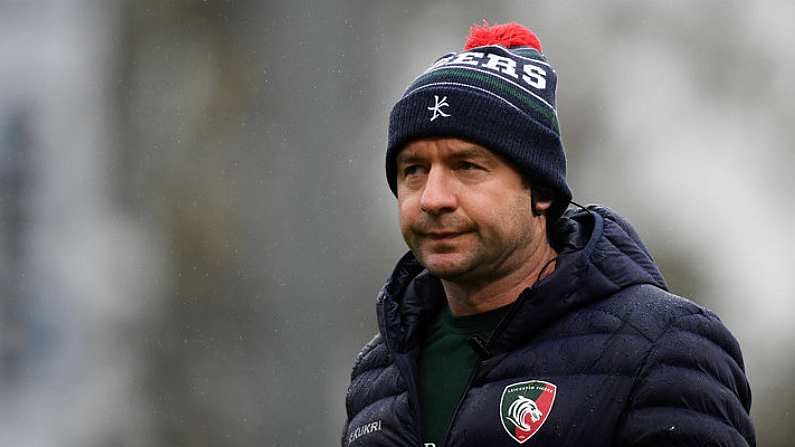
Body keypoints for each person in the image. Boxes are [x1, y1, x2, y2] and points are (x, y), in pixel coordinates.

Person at [342, 22, 755, 447]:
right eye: (414, 170)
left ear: (540, 191)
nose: (433, 198)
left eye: (467, 166)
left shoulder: (666, 347)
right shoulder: (379, 373)